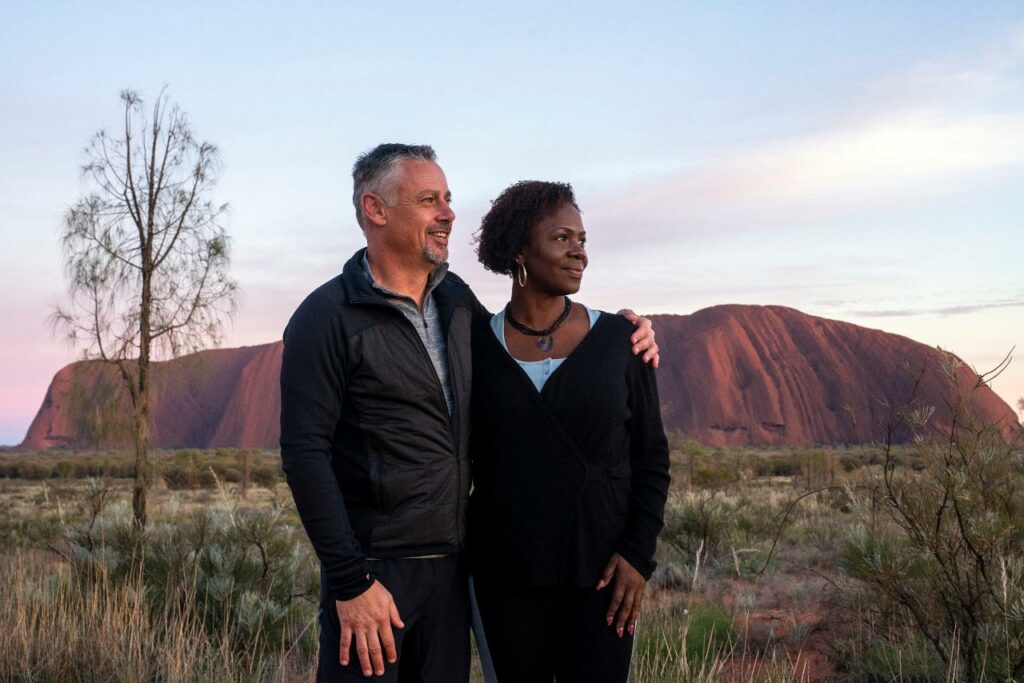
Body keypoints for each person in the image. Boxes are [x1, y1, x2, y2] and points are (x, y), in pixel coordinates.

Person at [280, 145, 659, 682]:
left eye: (449, 200)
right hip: (375, 575)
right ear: (376, 208)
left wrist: (622, 333)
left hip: (453, 575)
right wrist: (349, 583)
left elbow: (525, 353)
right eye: (429, 200)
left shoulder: (457, 305)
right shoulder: (327, 318)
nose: (449, 214)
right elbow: (303, 453)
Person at [468, 180, 671, 682]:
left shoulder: (622, 341)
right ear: (519, 249)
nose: (579, 252)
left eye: (582, 240)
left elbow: (652, 458)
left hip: (604, 579)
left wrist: (637, 557)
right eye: (562, 238)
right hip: (507, 580)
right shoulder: (474, 348)